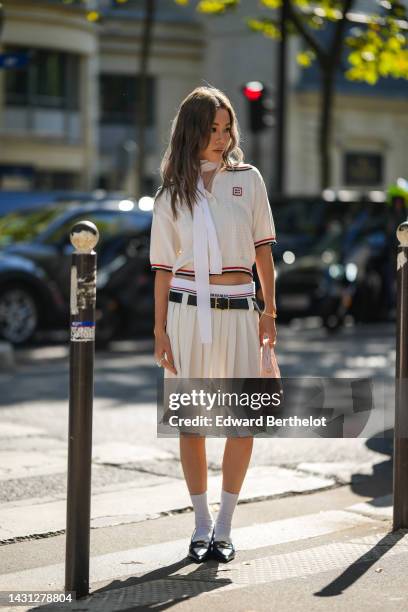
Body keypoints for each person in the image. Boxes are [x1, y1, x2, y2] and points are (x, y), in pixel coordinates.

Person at [149, 86, 277, 563]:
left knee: (241, 423)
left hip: (241, 310)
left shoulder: (248, 180)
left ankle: (225, 526)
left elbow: (263, 250)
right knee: (193, 425)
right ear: (192, 131)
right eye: (212, 128)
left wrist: (270, 312)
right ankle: (200, 525)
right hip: (186, 312)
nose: (221, 138)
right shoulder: (170, 195)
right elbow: (163, 268)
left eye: (227, 128)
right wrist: (160, 330)